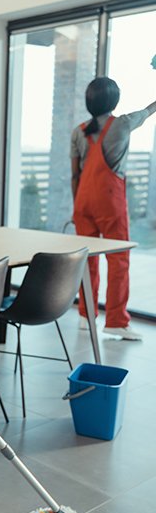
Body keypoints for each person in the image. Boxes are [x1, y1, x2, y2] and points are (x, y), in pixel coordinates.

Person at [71, 76, 156, 341]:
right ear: (114, 100)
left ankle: (86, 315)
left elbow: (75, 174)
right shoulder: (122, 124)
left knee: (88, 257)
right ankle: (116, 321)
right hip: (109, 199)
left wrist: (78, 206)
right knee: (118, 259)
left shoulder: (79, 130)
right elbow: (148, 110)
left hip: (83, 199)